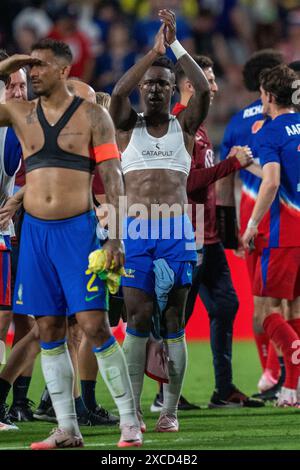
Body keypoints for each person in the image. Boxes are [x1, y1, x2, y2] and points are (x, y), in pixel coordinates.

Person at [0, 38, 141, 449]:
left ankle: (130, 424)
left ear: (64, 71)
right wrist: (12, 63)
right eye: (29, 68)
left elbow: (114, 178)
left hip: (77, 232)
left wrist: (115, 236)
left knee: (94, 326)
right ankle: (66, 428)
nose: (32, 73)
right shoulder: (19, 113)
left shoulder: (93, 117)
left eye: (40, 66)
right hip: (35, 237)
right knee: (48, 328)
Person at [110, 9, 210, 433]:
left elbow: (203, 87)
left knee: (173, 322)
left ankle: (169, 412)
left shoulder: (184, 126)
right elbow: (117, 93)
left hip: (175, 231)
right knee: (135, 320)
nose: (153, 90)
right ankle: (131, 415)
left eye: (161, 85)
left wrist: (175, 48)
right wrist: (151, 54)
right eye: (148, 84)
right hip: (136, 231)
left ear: (172, 92)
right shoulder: (125, 125)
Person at [165, 55, 262, 409]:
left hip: (208, 237)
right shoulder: (178, 125)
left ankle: (223, 389)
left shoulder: (200, 127)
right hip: (186, 238)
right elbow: (186, 182)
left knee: (226, 305)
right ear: (191, 85)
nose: (216, 87)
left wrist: (225, 231)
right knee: (178, 317)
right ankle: (165, 396)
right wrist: (231, 164)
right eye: (208, 80)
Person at [219, 50, 286, 399]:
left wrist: (227, 225)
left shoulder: (236, 124)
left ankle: (270, 373)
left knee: (262, 299)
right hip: (284, 215)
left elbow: (224, 177)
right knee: (288, 302)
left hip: (255, 216)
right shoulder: (290, 120)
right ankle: (287, 375)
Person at [242, 64, 300, 407]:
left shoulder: (270, 132)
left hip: (282, 234)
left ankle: (291, 382)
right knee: (293, 308)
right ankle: (295, 389)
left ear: (268, 95)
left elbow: (272, 181)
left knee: (266, 311)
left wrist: (251, 224)